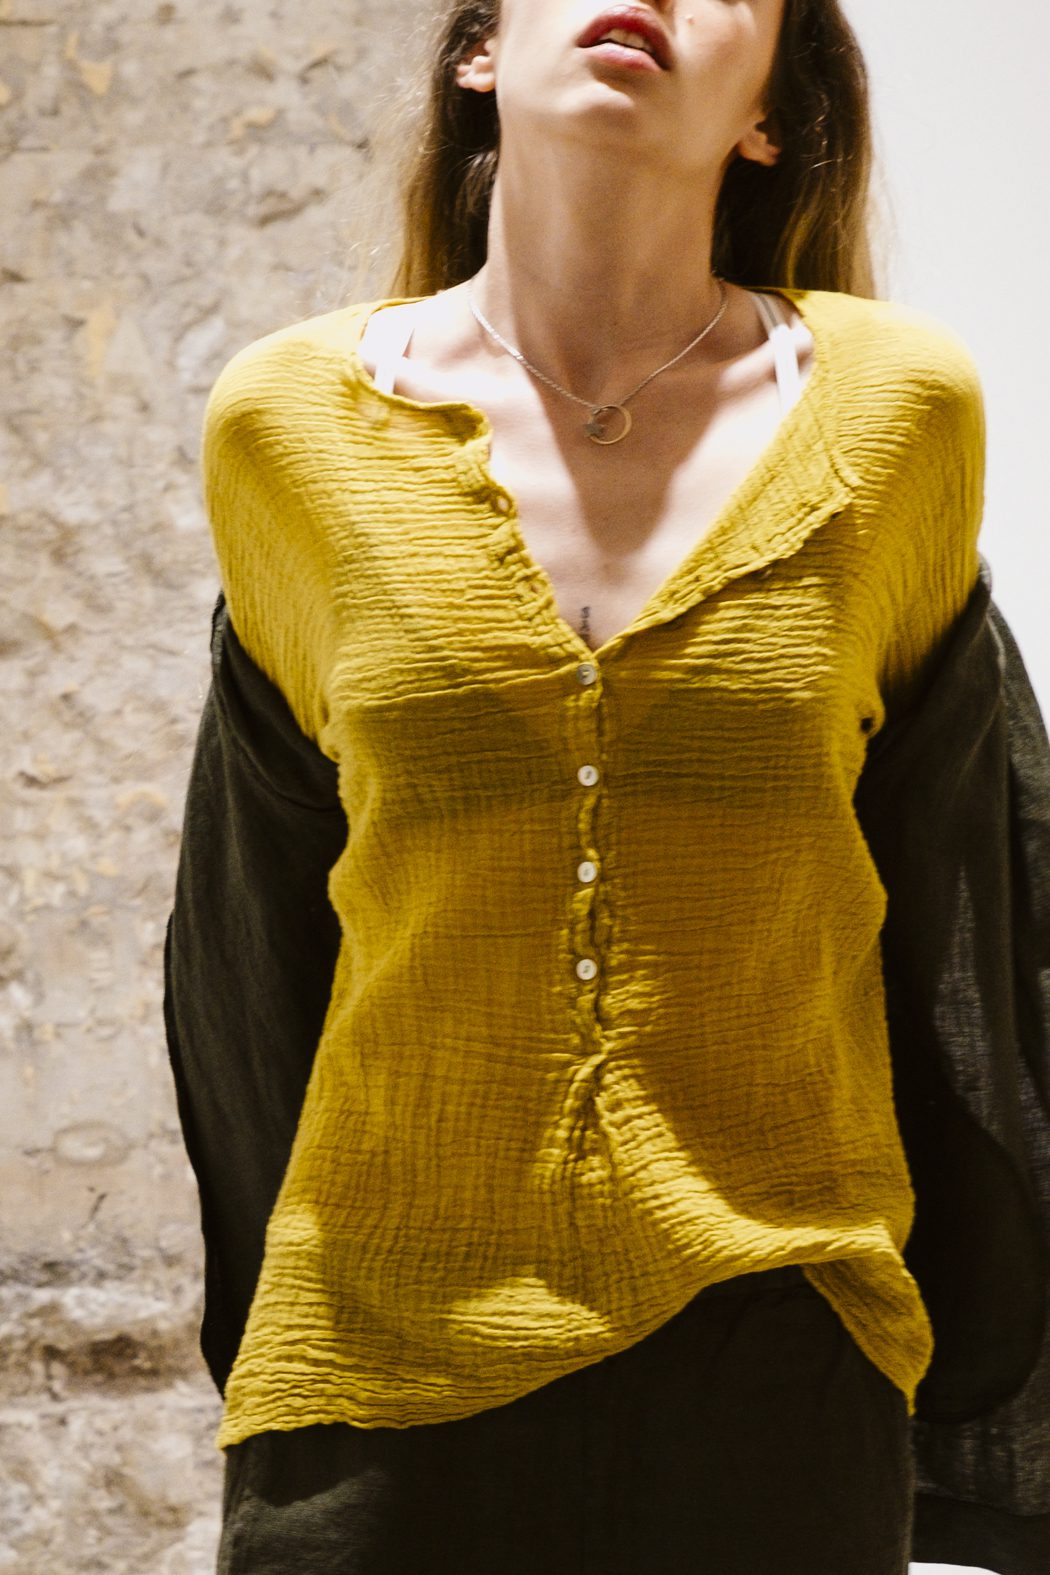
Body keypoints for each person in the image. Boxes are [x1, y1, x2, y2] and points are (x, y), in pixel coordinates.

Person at [167, 2, 1003, 1571]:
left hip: (779, 1353)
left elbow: (960, 894)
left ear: (768, 117)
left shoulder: (899, 410)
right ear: (479, 53)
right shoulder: (284, 421)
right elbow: (255, 933)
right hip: (374, 1363)